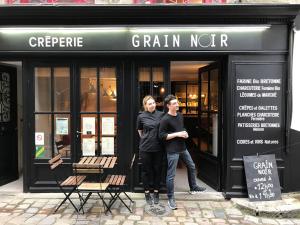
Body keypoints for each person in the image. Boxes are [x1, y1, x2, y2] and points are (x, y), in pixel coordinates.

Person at [159, 94, 206, 210]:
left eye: (177, 102)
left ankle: (193, 187)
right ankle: (171, 198)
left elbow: (182, 128)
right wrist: (178, 134)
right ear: (168, 106)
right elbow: (162, 136)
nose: (177, 105)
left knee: (191, 166)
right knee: (171, 175)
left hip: (182, 147)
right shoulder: (165, 119)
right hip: (172, 150)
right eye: (174, 103)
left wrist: (185, 133)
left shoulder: (180, 115)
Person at [136, 95, 165, 205]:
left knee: (158, 170)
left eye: (153, 103)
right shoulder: (141, 116)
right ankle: (147, 192)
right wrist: (147, 138)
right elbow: (140, 131)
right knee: (146, 171)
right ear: (145, 105)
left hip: (158, 148)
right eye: (150, 104)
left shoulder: (161, 115)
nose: (152, 105)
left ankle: (156, 192)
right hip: (145, 148)